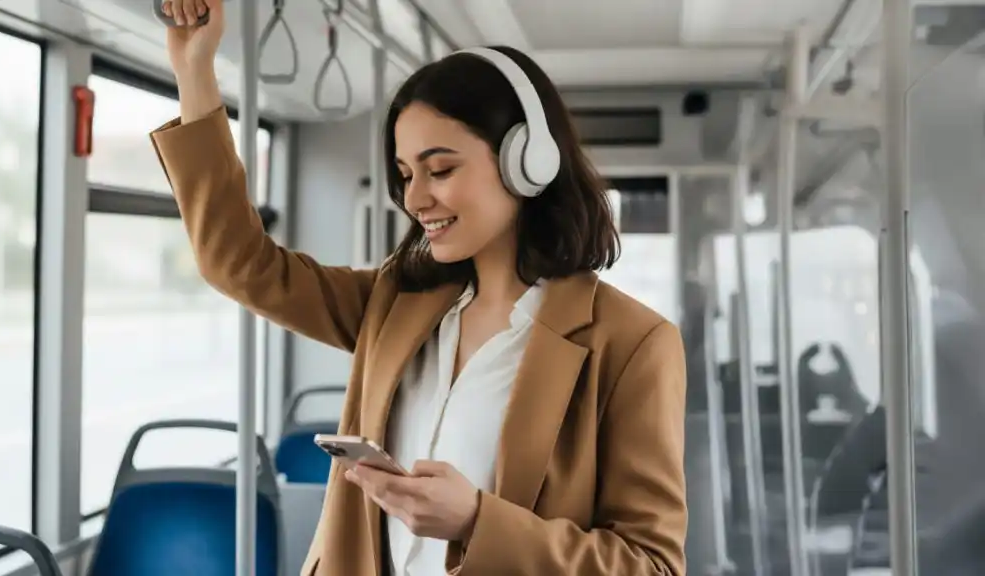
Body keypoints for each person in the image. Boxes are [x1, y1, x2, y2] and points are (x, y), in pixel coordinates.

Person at [153, 1, 687, 574]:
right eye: (407, 174)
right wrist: (195, 70)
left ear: (527, 163)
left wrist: (479, 524)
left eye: (441, 169)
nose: (414, 199)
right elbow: (239, 262)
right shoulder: (396, 303)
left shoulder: (632, 345)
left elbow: (651, 564)